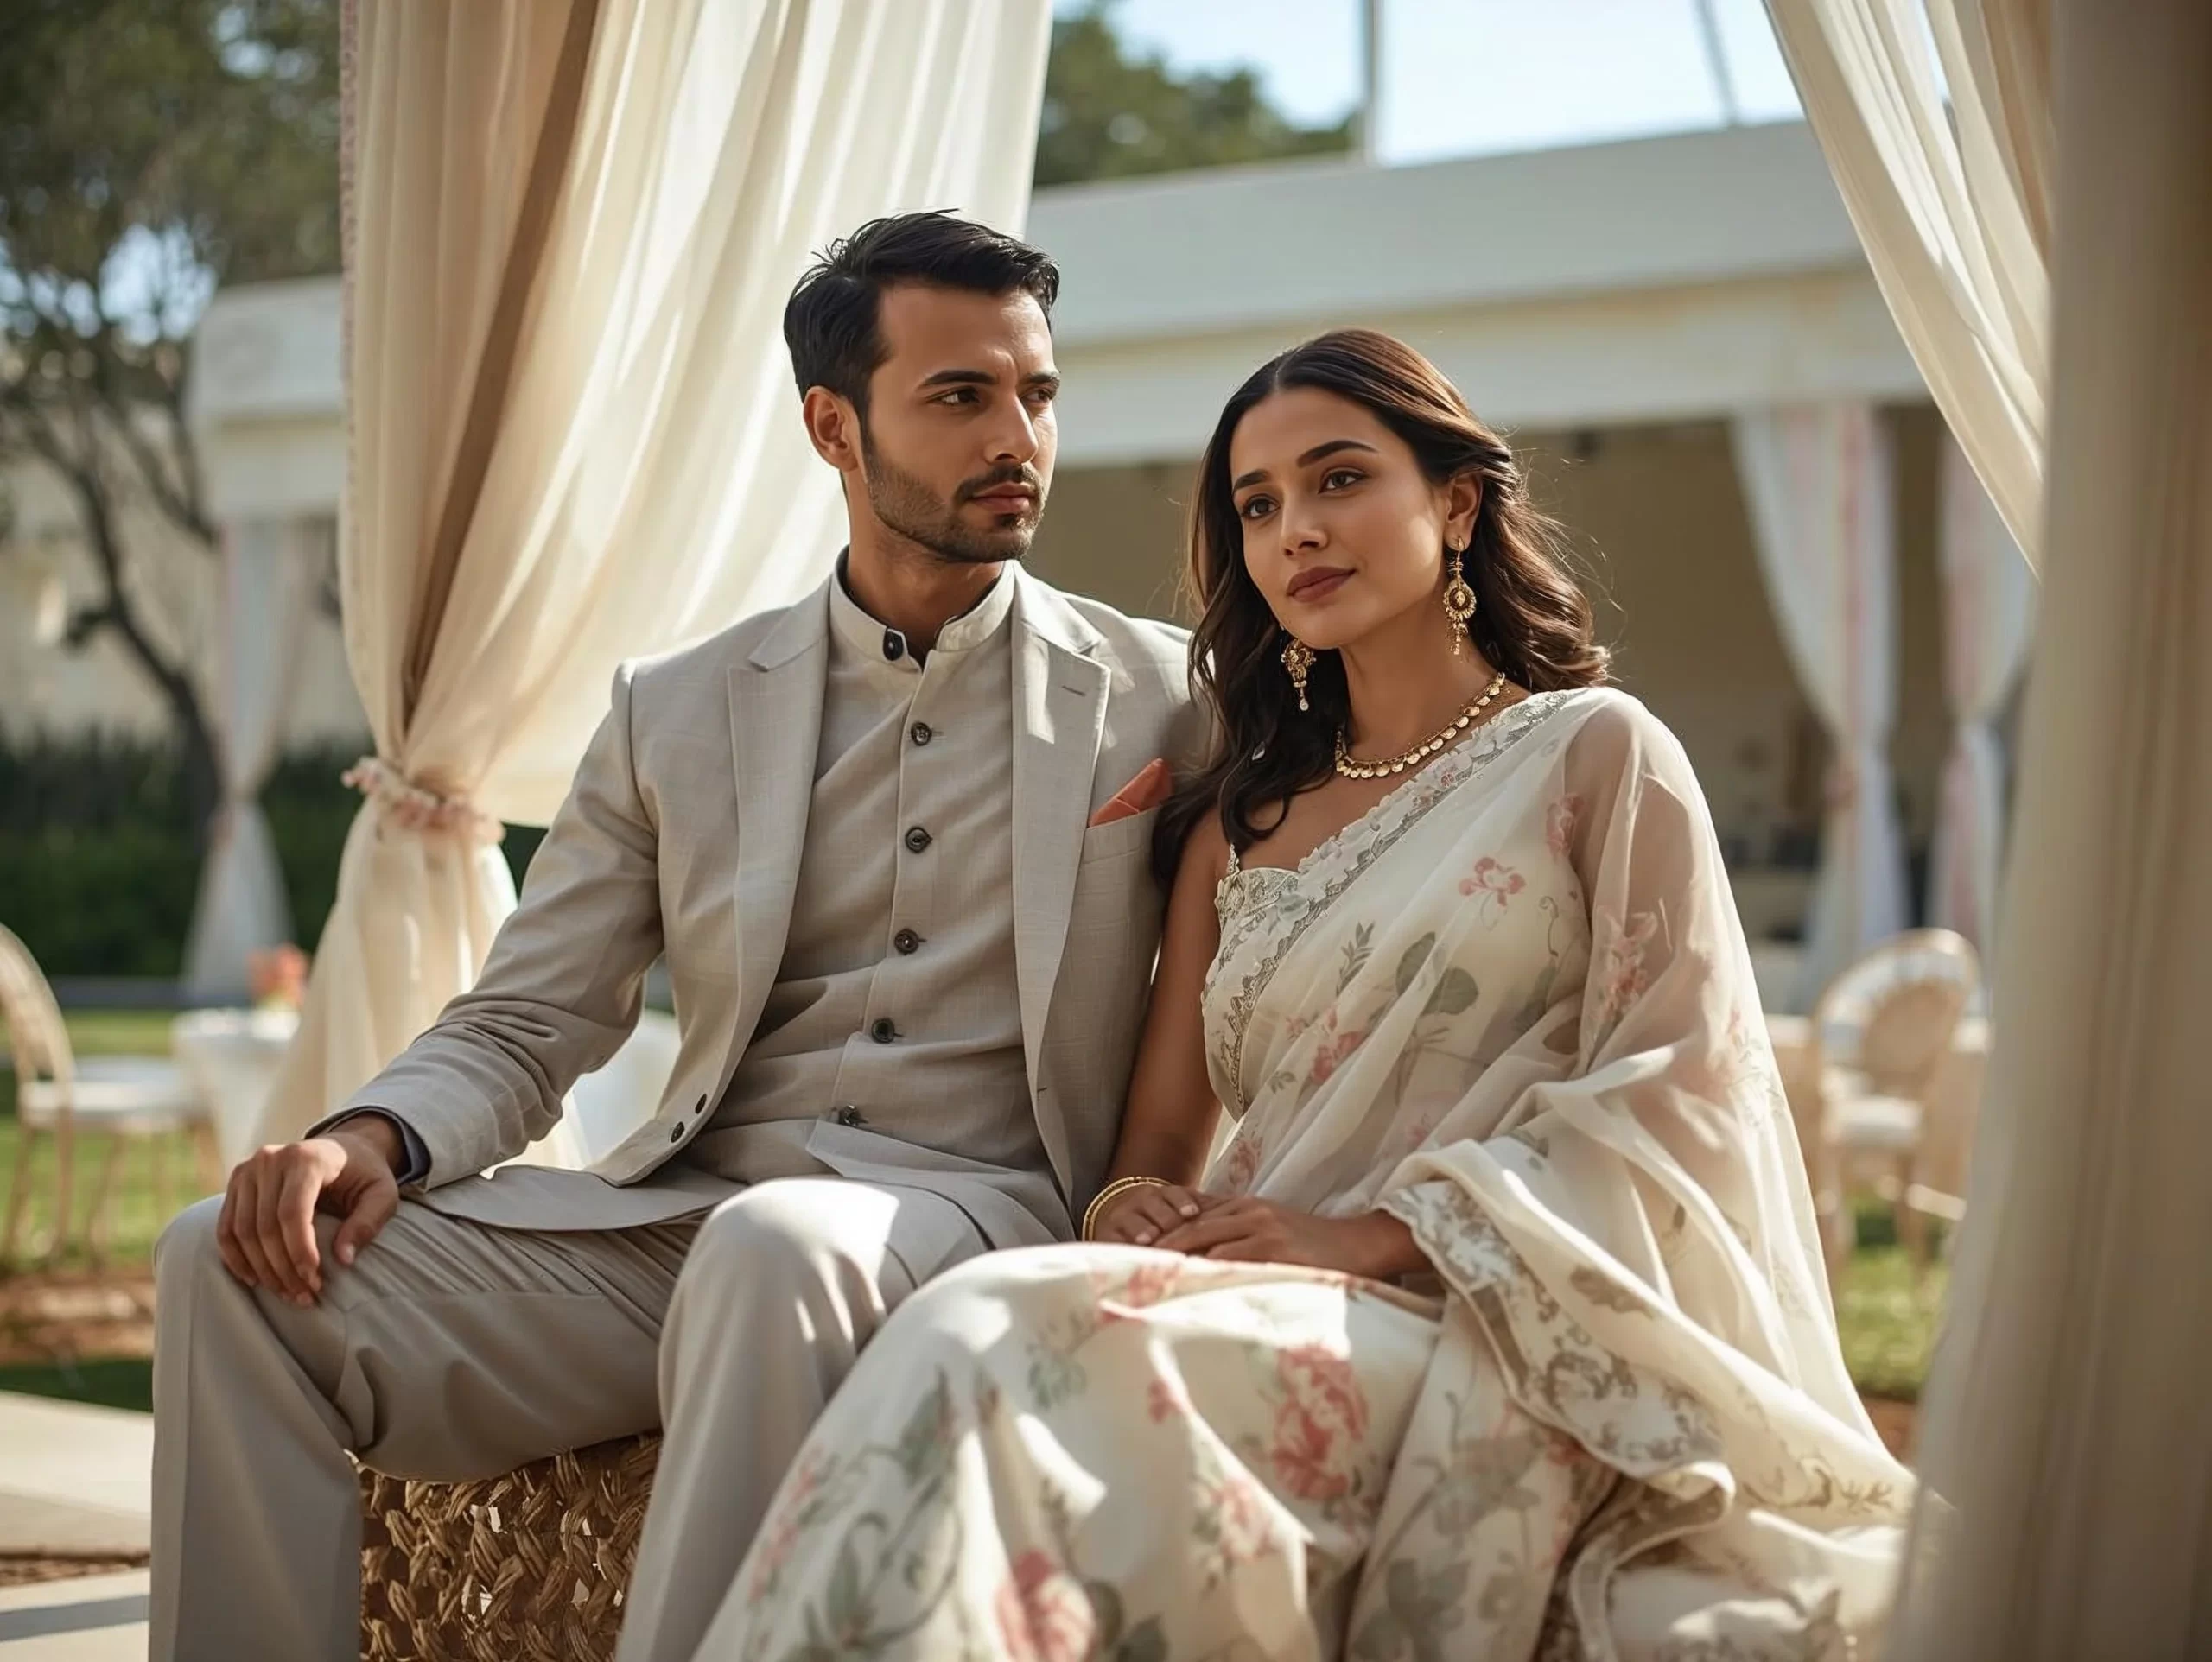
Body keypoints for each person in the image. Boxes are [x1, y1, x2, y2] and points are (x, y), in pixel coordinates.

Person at [689, 329, 1916, 1661]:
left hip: (1480, 1317)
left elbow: (1685, 1096)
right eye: (1258, 506)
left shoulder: (1594, 754)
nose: (1297, 533)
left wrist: (1373, 1237)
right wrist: (1131, 1207)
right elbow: (1157, 1145)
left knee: (990, 1330)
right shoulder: (1239, 828)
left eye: (1339, 480)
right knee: (976, 1330)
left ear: (1457, 503)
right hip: (1250, 1286)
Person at [148, 211, 1204, 1662]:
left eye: (1037, 393)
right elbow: (533, 1016)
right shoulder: (676, 707)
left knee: (774, 1250)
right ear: (834, 427)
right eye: (961, 396)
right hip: (682, 1231)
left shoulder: (1166, 698)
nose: (1016, 436)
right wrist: (369, 1138)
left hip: (982, 1217)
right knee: (227, 1262)